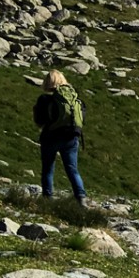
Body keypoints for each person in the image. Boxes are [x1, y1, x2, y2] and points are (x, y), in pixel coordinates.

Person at [33, 70, 87, 203]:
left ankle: (48, 198)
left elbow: (39, 120)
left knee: (48, 168)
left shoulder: (45, 99)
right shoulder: (75, 98)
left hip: (50, 137)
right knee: (72, 169)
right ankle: (81, 198)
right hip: (71, 137)